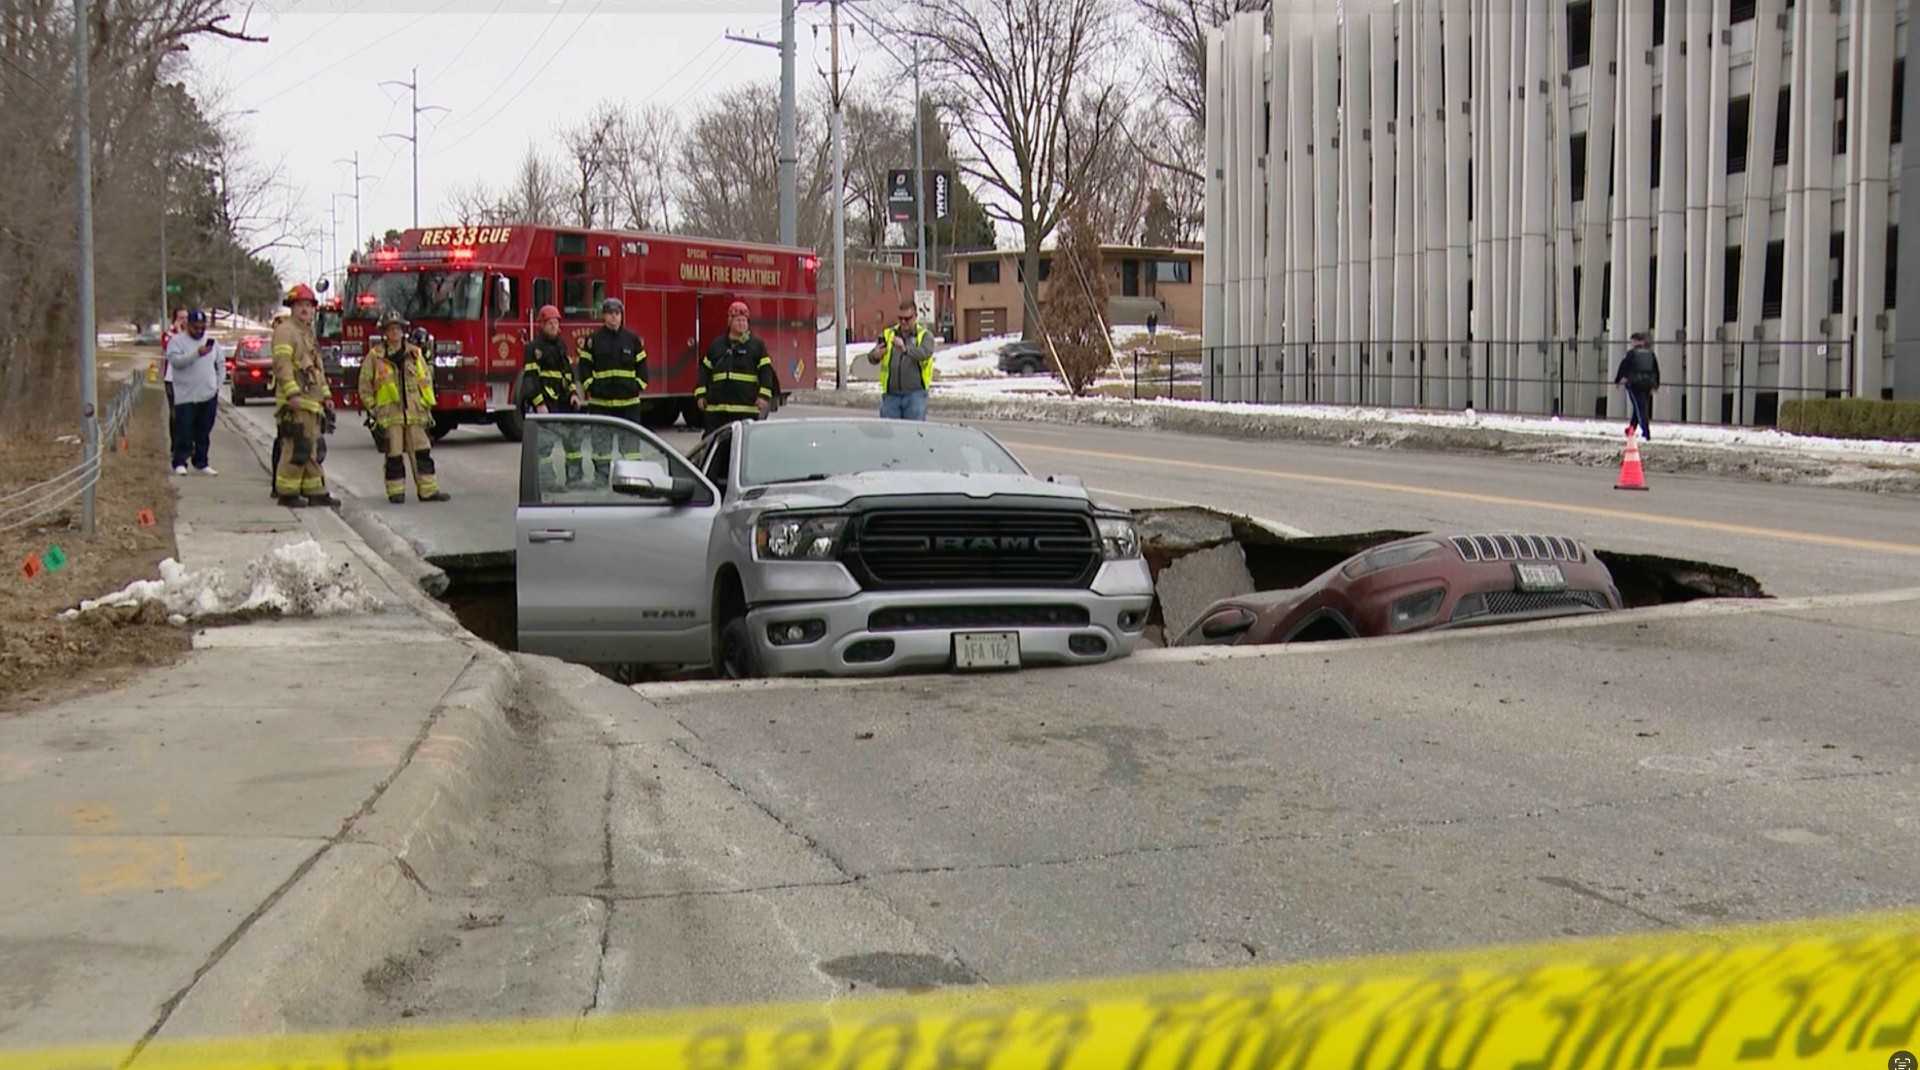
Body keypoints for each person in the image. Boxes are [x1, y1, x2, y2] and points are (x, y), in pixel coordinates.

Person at [360, 311, 451, 504]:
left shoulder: (415, 354)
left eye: (398, 329)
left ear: (403, 331)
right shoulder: (375, 356)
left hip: (415, 414)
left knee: (422, 452)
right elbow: (365, 386)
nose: (394, 332)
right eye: (391, 329)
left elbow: (425, 380)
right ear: (385, 332)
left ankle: (428, 491)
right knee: (394, 455)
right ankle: (396, 492)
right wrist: (373, 408)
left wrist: (426, 405)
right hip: (390, 415)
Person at [271, 282, 338, 508]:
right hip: (295, 402)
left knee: (311, 448)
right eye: (300, 305)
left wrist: (327, 396)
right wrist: (292, 394)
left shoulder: (307, 334)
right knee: (296, 447)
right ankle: (287, 493)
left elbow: (317, 370)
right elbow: (283, 365)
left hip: (312, 403)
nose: (305, 309)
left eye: (308, 305)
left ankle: (316, 492)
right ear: (292, 307)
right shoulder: (286, 331)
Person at [575, 297, 648, 480]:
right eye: (610, 314)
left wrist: (637, 386)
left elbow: (643, 368)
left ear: (621, 316)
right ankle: (601, 479)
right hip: (601, 404)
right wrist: (591, 386)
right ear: (604, 316)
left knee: (630, 449)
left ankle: (632, 480)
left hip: (629, 405)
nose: (614, 318)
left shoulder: (632, 340)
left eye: (617, 314)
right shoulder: (593, 341)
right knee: (601, 447)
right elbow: (584, 368)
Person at [522, 304, 584, 485]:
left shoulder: (562, 345)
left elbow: (568, 374)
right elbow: (530, 380)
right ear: (541, 324)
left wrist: (573, 393)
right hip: (546, 403)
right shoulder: (533, 349)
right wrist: (539, 404)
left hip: (564, 402)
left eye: (556, 322)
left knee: (573, 443)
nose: (553, 326)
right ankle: (548, 482)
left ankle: (575, 479)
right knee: (545, 446)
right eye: (549, 323)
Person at [696, 300, 776, 433]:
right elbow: (704, 371)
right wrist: (700, 395)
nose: (742, 324)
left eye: (744, 321)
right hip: (717, 412)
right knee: (715, 448)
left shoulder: (756, 346)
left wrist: (763, 396)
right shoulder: (717, 345)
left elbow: (766, 373)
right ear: (730, 322)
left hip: (745, 410)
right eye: (738, 320)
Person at [165, 308, 225, 476]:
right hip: (185, 395)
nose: (199, 331)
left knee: (204, 430)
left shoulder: (212, 342)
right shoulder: (177, 341)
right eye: (195, 327)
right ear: (187, 325)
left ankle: (201, 461)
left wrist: (217, 385)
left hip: (208, 394)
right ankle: (180, 461)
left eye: (202, 327)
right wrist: (196, 354)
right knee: (184, 430)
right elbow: (176, 362)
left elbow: (221, 364)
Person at [867, 297, 933, 420]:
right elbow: (871, 357)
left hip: (915, 395)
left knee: (914, 433)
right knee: (890, 434)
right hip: (891, 396)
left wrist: (905, 349)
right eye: (900, 318)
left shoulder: (924, 336)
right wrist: (875, 355)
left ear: (915, 316)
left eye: (907, 319)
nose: (903, 322)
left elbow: (924, 353)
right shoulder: (889, 334)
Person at [1614, 331, 1662, 441]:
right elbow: (1656, 370)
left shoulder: (1631, 354)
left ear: (1634, 341)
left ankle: (1646, 432)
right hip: (1647, 384)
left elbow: (1623, 366)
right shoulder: (1650, 353)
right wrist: (1656, 385)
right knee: (1640, 407)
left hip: (1634, 384)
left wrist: (1618, 380)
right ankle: (1631, 429)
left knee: (1640, 408)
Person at [161, 307, 186, 458]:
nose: (184, 320)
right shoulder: (169, 335)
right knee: (175, 413)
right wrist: (177, 332)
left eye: (186, 317)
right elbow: (168, 348)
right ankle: (175, 445)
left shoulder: (193, 334)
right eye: (181, 317)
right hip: (172, 379)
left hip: (189, 379)